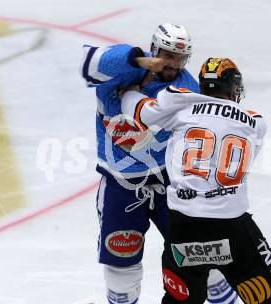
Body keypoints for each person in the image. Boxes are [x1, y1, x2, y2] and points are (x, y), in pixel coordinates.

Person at [81, 25, 237, 304]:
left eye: (181, 57)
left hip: (172, 183)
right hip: (121, 187)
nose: (174, 63)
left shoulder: (185, 88)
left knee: (204, 258)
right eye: (168, 55)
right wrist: (138, 60)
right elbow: (89, 62)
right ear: (154, 50)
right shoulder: (118, 73)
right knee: (121, 269)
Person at [121, 57, 271, 304]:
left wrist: (129, 92)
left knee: (179, 301)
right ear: (234, 87)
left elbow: (140, 112)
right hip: (232, 228)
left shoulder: (180, 103)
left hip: (183, 227)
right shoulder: (255, 122)